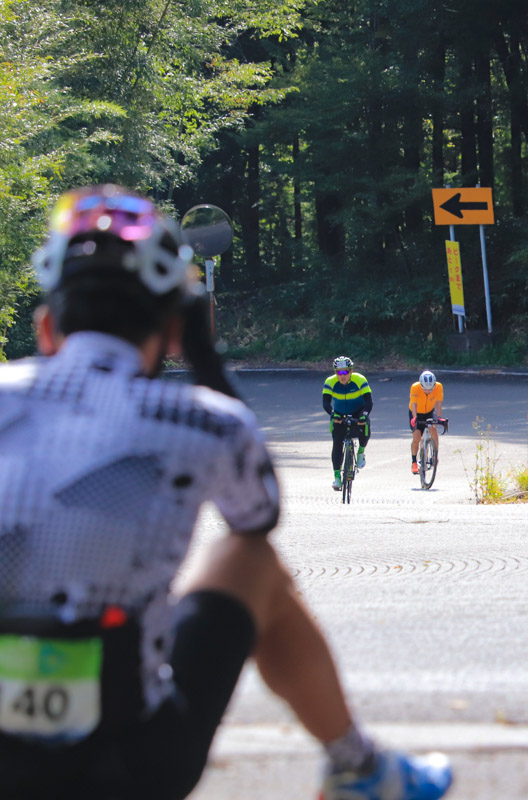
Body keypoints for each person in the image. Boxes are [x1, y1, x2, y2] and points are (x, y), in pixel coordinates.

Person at [0, 185, 452, 799]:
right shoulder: (202, 420)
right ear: (172, 326)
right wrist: (206, 360)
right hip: (136, 763)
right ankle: (358, 769)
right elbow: (258, 516)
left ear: (47, 327)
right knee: (250, 561)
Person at [324, 355, 373, 490]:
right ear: (335, 373)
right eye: (339, 372)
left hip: (358, 411)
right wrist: (333, 414)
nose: (342, 375)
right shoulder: (330, 381)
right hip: (339, 412)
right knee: (337, 443)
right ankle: (337, 478)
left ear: (351, 371)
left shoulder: (360, 379)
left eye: (345, 371)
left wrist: (364, 415)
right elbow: (326, 402)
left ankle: (361, 452)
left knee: (365, 427)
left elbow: (369, 401)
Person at [409, 370, 445, 475]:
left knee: (433, 429)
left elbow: (438, 403)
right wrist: (415, 417)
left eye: (430, 389)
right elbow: (413, 403)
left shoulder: (438, 387)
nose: (428, 391)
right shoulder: (415, 387)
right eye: (425, 389)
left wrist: (439, 418)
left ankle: (435, 455)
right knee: (417, 437)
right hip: (416, 412)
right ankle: (414, 462)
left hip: (429, 411)